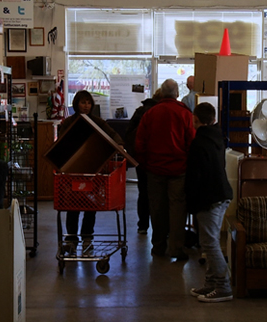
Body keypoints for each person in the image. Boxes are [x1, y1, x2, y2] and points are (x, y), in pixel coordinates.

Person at [135, 79, 196, 261]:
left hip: (155, 170)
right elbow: (191, 142)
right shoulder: (185, 114)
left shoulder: (150, 114)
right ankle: (176, 248)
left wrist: (146, 164)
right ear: (177, 94)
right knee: (177, 210)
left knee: (157, 209)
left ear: (161, 93)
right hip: (178, 170)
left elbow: (140, 143)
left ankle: (158, 247)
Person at [58, 90, 124, 256]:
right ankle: (71, 239)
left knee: (90, 205)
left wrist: (119, 145)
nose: (86, 106)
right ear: (76, 104)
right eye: (83, 102)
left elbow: (114, 135)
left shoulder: (98, 122)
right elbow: (62, 143)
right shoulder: (68, 123)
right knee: (72, 205)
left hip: (94, 170)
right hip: (73, 170)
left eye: (88, 103)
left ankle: (87, 237)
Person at [185, 102, 233, 303]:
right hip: (221, 194)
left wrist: (190, 202)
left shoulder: (199, 143)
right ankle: (211, 283)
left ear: (195, 119)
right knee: (209, 241)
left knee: (210, 243)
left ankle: (223, 287)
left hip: (209, 198)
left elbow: (195, 176)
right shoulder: (216, 137)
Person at [124, 88, 162, 235]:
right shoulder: (161, 113)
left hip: (141, 159)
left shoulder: (141, 111)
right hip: (157, 159)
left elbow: (128, 134)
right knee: (159, 193)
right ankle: (159, 228)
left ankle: (143, 225)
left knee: (143, 192)